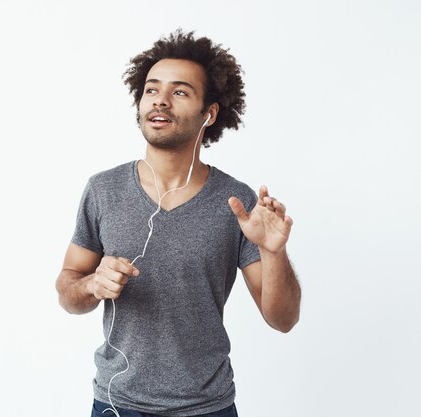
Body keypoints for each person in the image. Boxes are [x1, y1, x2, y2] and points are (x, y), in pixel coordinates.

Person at [55, 29, 301, 417]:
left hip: (207, 408)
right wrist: (90, 284)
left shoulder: (237, 202)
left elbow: (282, 319)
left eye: (180, 92)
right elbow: (68, 290)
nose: (161, 101)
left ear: (210, 113)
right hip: (116, 405)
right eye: (152, 90)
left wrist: (274, 252)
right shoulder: (103, 190)